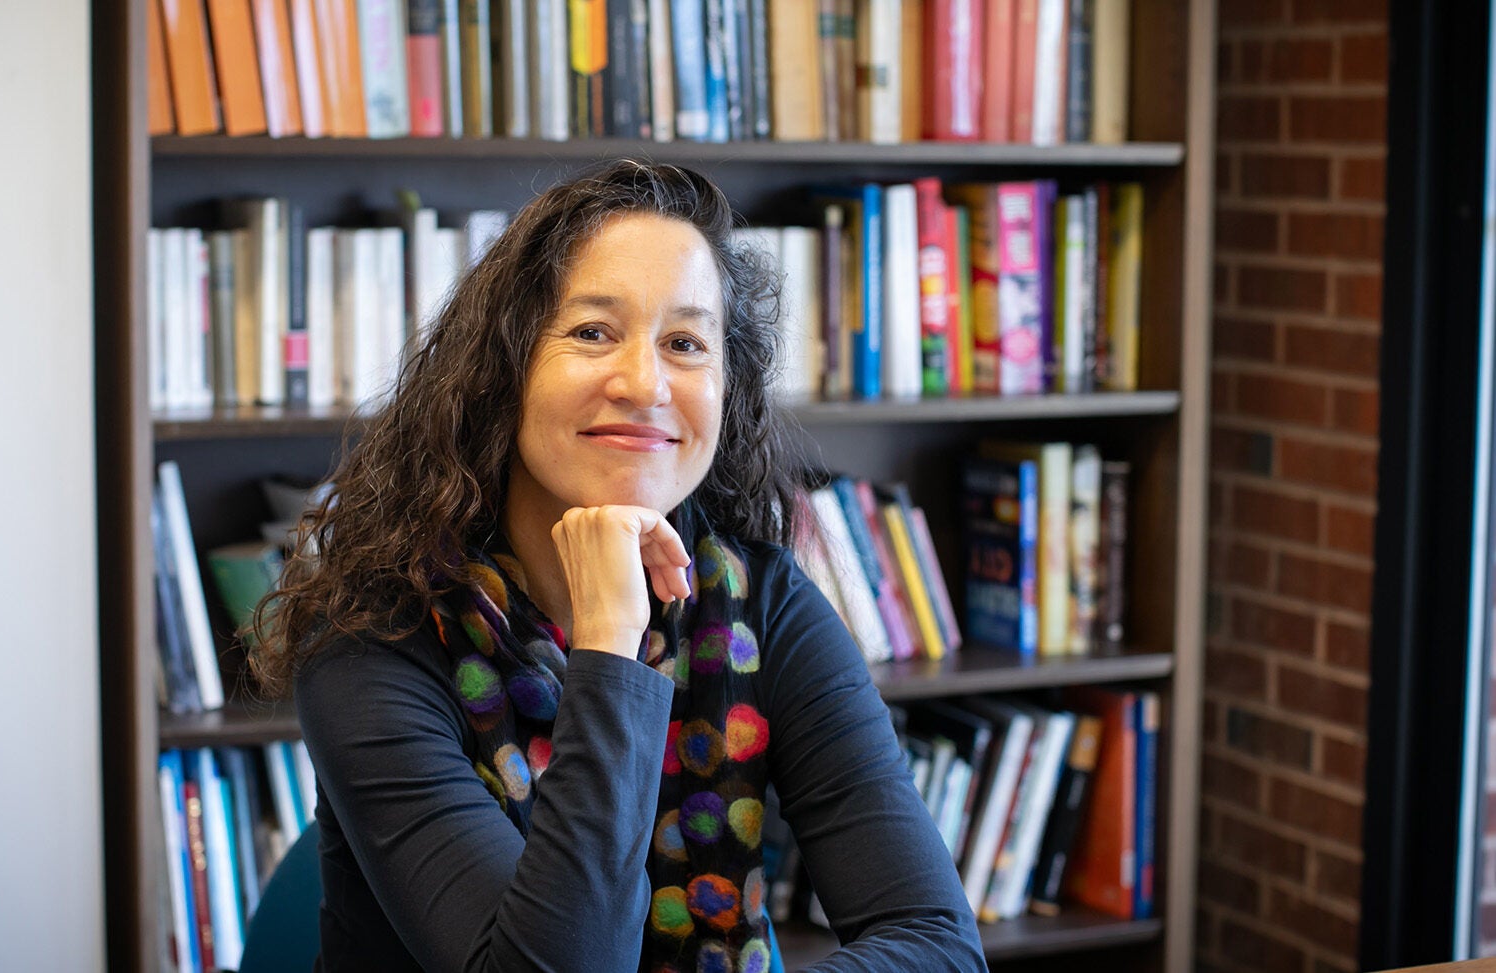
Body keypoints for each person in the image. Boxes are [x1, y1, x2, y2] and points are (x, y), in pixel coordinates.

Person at [251, 160, 987, 973]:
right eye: (592, 332)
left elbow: (936, 942)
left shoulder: (759, 602)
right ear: (503, 369)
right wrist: (609, 644)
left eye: (684, 343)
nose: (644, 383)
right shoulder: (372, 637)